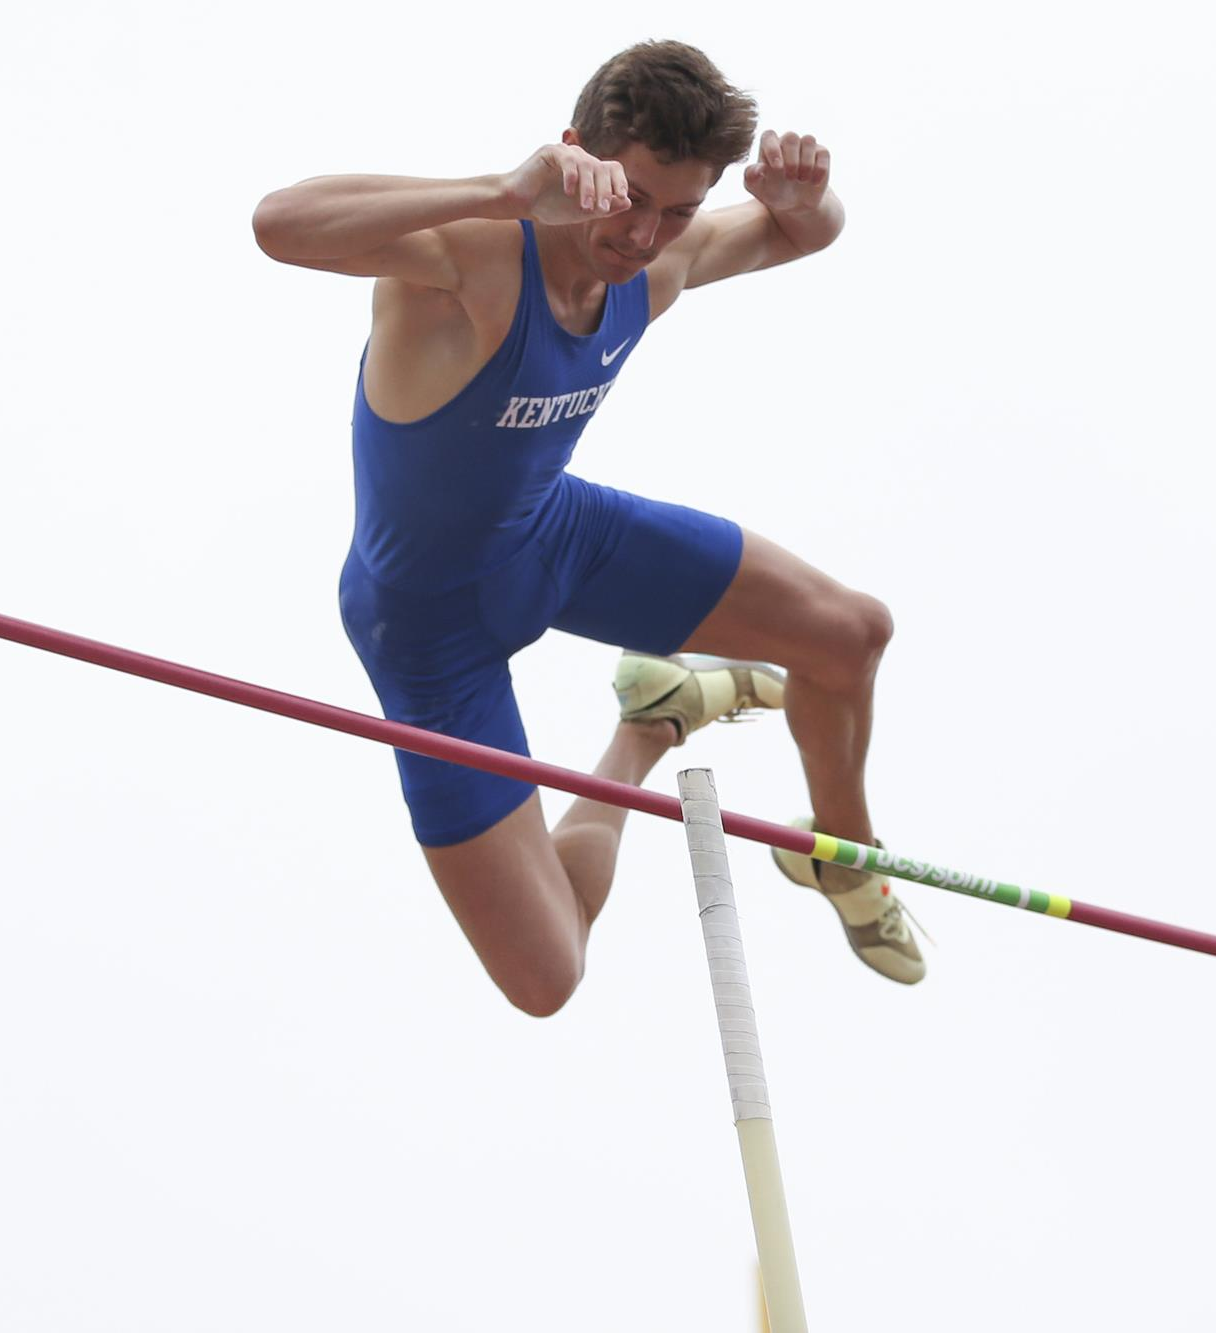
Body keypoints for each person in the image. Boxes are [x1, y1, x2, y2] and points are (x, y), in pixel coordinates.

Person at [252, 39, 922, 1016]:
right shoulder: (469, 256)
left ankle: (844, 862)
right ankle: (643, 730)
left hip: (555, 539)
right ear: (578, 157)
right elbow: (279, 224)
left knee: (849, 633)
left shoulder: (657, 264)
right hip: (427, 631)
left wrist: (801, 195)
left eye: (679, 211)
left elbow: (800, 233)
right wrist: (502, 188)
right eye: (630, 201)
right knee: (549, 973)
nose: (645, 235)